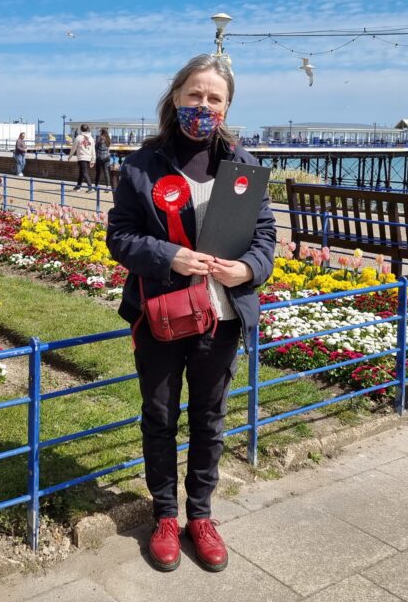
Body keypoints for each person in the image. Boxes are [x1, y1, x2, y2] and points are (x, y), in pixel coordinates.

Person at [106, 54, 276, 573]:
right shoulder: (141, 166)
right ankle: (164, 515)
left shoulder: (242, 166)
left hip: (221, 317)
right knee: (159, 418)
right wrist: (169, 256)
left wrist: (246, 271)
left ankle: (200, 516)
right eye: (194, 95)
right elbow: (119, 238)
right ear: (175, 97)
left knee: (209, 420)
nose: (203, 106)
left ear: (227, 107)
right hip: (161, 314)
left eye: (214, 98)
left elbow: (266, 238)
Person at [69, 124, 95, 192]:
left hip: (81, 157)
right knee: (82, 172)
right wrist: (93, 160)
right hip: (88, 157)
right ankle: (78, 186)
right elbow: (93, 150)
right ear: (88, 129)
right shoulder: (91, 138)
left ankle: (90, 187)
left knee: (84, 173)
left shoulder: (79, 137)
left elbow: (74, 148)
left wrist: (70, 156)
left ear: (81, 129)